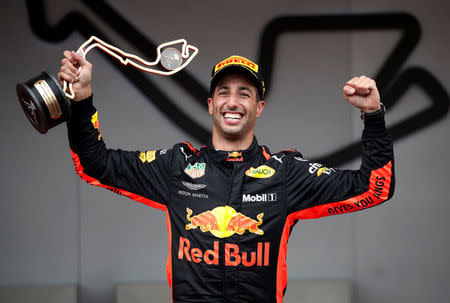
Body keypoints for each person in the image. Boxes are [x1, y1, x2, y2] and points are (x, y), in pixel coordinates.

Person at [58, 52, 395, 303]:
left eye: (245, 93)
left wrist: (373, 116)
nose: (233, 102)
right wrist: (82, 98)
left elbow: (374, 188)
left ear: (259, 107)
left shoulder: (286, 173)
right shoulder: (176, 167)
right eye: (223, 92)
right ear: (210, 104)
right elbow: (94, 165)